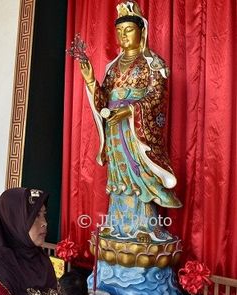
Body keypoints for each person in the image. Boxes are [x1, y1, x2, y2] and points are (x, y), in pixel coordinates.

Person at [78, 0, 182, 243]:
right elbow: (103, 99)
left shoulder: (153, 64)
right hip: (115, 129)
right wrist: (91, 81)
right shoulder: (113, 67)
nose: (123, 36)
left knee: (139, 173)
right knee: (118, 176)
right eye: (119, 31)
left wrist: (129, 111)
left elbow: (157, 96)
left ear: (141, 31)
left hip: (137, 131)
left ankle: (145, 227)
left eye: (129, 30)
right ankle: (118, 226)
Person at [0, 188, 57, 295]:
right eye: (36, 216)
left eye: (44, 215)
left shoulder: (41, 258)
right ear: (15, 220)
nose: (44, 223)